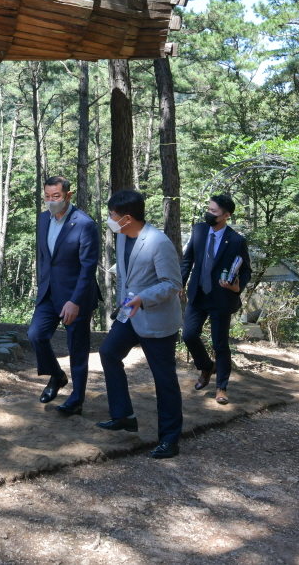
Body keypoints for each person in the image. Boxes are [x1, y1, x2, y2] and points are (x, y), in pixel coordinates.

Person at [97, 190, 184, 459]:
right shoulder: (123, 236)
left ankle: (169, 439)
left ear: (127, 218)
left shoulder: (159, 242)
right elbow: (125, 277)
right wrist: (123, 306)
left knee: (164, 379)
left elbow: (173, 283)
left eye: (112, 215)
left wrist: (142, 299)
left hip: (156, 318)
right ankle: (124, 415)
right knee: (108, 353)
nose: (109, 219)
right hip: (129, 312)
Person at [27, 176, 101, 416]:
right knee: (36, 335)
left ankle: (77, 399)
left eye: (56, 196)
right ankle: (57, 376)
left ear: (68, 195)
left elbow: (88, 267)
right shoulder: (43, 219)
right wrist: (41, 285)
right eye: (47, 196)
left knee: (77, 349)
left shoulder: (84, 224)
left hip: (76, 296)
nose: (51, 201)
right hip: (49, 292)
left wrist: (75, 301)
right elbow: (43, 257)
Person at [180, 194, 252, 405]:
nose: (209, 214)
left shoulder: (236, 240)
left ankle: (221, 388)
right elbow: (188, 259)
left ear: (226, 215)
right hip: (197, 294)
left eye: (214, 211)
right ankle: (206, 367)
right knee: (188, 335)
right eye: (208, 209)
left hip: (221, 299)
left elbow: (246, 271)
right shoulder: (199, 230)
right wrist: (180, 284)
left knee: (220, 344)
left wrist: (237, 286)